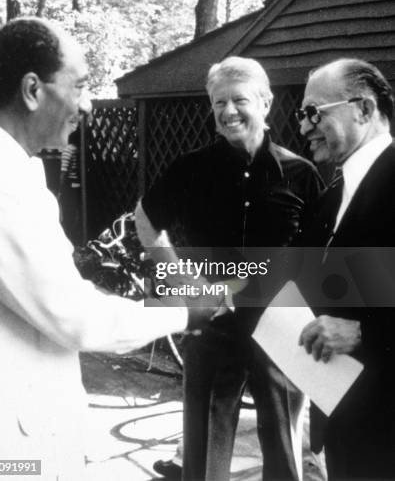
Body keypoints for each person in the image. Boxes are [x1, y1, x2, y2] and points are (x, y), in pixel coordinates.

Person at [0, 17, 216, 481]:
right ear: (32, 89)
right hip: (12, 457)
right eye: (82, 85)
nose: (89, 104)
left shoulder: (13, 170)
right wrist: (185, 312)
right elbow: (75, 317)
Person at [135, 56, 323, 481]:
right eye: (218, 102)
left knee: (285, 450)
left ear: (266, 103)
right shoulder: (191, 167)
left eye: (239, 99)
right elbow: (145, 218)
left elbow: (316, 258)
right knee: (203, 457)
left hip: (279, 326)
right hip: (211, 325)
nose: (227, 111)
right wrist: (180, 279)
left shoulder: (301, 174)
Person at [296, 58, 395, 480]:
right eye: (302, 116)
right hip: (343, 423)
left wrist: (362, 332)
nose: (304, 128)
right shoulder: (333, 193)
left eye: (315, 113)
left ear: (365, 109)